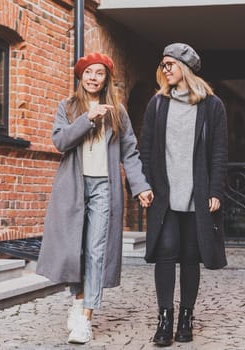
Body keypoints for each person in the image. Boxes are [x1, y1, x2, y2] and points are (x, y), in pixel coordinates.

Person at [36, 52, 154, 344]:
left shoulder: (118, 112)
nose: (93, 78)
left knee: (96, 251)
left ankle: (86, 317)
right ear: (81, 77)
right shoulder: (68, 107)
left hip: (105, 187)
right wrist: (87, 119)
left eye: (99, 73)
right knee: (74, 249)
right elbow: (60, 141)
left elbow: (130, 152)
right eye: (88, 73)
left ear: (107, 79)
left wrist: (140, 186)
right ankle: (77, 300)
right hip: (73, 187)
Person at [139, 43, 228, 346]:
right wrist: (145, 185)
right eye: (162, 64)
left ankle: (186, 317)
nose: (165, 69)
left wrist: (215, 189)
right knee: (166, 252)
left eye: (170, 64)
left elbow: (218, 151)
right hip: (165, 195)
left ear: (185, 68)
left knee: (190, 256)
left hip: (197, 194)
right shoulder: (158, 104)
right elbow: (147, 148)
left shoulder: (211, 105)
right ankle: (164, 318)